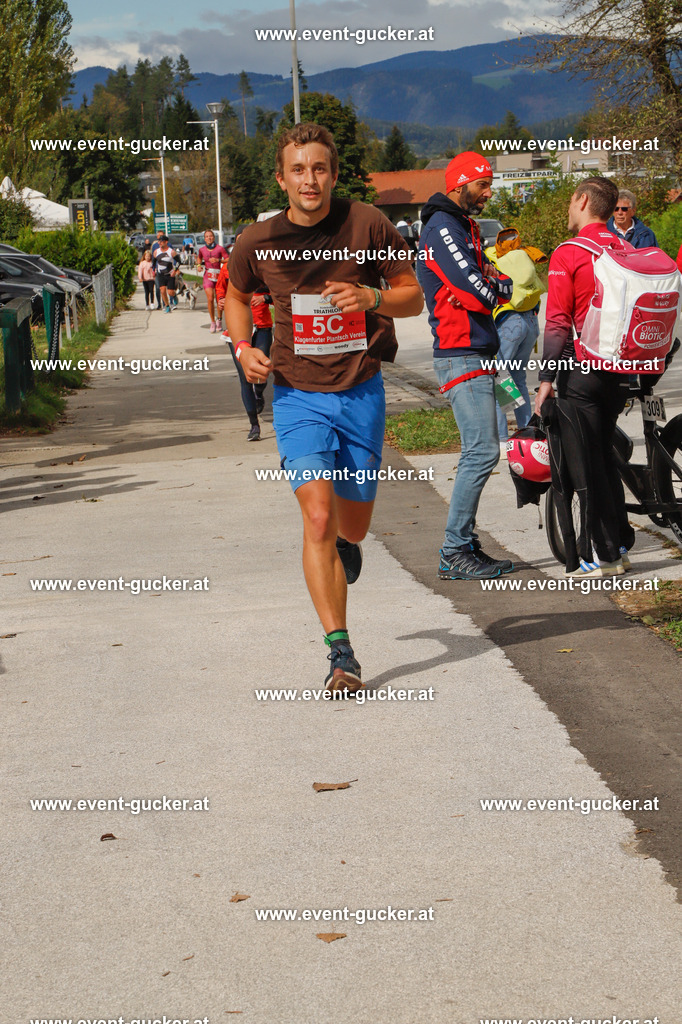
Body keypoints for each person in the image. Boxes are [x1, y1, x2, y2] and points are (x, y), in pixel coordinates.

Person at [225, 121, 423, 692]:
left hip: (360, 390)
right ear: (281, 178)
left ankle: (346, 545)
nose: (309, 179)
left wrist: (373, 297)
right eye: (298, 169)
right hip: (296, 395)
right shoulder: (256, 240)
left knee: (352, 525)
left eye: (319, 168)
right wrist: (243, 349)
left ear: (333, 174)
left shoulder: (368, 224)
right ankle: (341, 653)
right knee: (316, 515)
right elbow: (236, 299)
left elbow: (412, 297)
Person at [417, 152, 515, 581]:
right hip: (460, 353)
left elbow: (502, 283)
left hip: (481, 351)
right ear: (459, 185)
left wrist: (489, 285)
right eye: (483, 185)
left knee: (492, 441)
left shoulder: (466, 226)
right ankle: (454, 550)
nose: (489, 192)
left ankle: (465, 543)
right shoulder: (442, 228)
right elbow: (482, 293)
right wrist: (488, 288)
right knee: (482, 451)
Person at [534, 176, 635, 576]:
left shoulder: (569, 253)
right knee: (602, 456)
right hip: (620, 370)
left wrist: (545, 380)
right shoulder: (624, 247)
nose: (567, 208)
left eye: (570, 200)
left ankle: (608, 555)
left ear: (582, 200)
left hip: (583, 369)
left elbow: (557, 323)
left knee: (585, 464)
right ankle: (619, 544)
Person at [483, 227, 547, 441]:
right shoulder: (525, 254)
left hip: (509, 321)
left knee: (499, 377)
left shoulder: (491, 256)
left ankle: (501, 440)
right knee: (517, 378)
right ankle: (527, 434)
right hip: (531, 321)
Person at [216, 259, 274, 441]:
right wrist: (221, 300)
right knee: (245, 377)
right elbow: (221, 289)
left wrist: (265, 298)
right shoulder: (228, 267)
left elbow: (282, 292)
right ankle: (254, 425)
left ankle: (260, 392)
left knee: (262, 372)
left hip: (262, 325)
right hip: (237, 330)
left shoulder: (267, 264)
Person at [196, 229, 229, 333]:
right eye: (207, 236)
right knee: (210, 298)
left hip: (219, 275)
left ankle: (219, 319)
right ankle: (212, 321)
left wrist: (219, 260)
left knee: (219, 299)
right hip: (208, 275)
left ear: (214, 238)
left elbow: (228, 259)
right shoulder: (202, 249)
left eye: (211, 236)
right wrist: (198, 265)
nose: (209, 238)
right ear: (204, 239)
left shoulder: (220, 249)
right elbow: (199, 258)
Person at [152, 236, 180, 313]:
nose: (159, 243)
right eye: (159, 241)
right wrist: (153, 270)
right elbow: (154, 262)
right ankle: (167, 306)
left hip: (170, 274)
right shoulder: (156, 252)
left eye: (161, 241)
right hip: (160, 274)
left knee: (170, 292)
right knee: (162, 290)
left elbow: (179, 261)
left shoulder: (171, 252)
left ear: (166, 242)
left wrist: (175, 270)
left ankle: (174, 296)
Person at [150, 230, 165, 309]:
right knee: (157, 287)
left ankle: (165, 303)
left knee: (164, 288)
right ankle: (159, 303)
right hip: (157, 269)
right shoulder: (155, 246)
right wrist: (153, 269)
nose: (161, 237)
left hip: (165, 269)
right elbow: (153, 258)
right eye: (160, 236)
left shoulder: (168, 245)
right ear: (157, 237)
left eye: (162, 235)